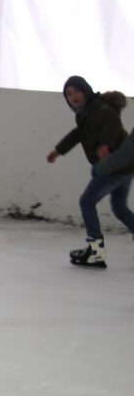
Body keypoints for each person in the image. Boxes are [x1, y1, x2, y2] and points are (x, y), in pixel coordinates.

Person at [46, 76, 134, 268]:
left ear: (86, 91)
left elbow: (112, 123)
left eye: (77, 91)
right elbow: (78, 134)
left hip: (113, 166)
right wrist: (58, 150)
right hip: (126, 168)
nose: (74, 97)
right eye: (69, 94)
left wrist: (105, 144)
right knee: (119, 207)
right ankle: (96, 251)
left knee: (87, 202)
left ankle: (96, 252)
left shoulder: (99, 108)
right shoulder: (85, 112)